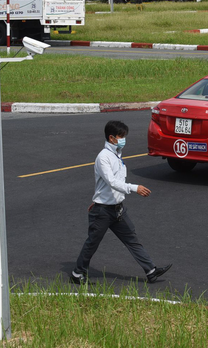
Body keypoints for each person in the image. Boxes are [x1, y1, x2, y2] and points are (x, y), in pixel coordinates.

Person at [71, 120, 171, 285]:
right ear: (111, 138)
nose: (124, 139)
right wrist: (134, 188)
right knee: (92, 243)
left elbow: (106, 185)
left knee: (132, 239)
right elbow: (111, 181)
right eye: (121, 136)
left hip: (117, 209)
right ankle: (77, 273)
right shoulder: (103, 157)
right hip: (103, 211)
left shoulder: (117, 154)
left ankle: (151, 271)